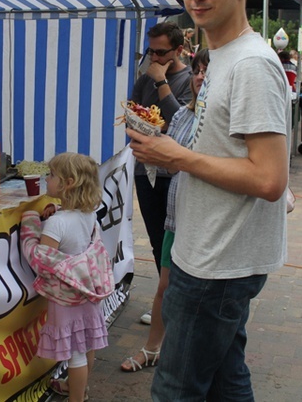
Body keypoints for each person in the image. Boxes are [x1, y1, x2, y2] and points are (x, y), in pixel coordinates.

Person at [127, 0, 290, 401]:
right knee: (225, 380)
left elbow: (269, 178)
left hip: (219, 263)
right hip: (210, 252)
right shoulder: (222, 55)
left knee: (175, 389)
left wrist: (174, 156)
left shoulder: (251, 65)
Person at [120, 49, 209, 374]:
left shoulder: (220, 120)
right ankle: (152, 349)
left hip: (206, 224)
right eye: (198, 71)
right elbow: (175, 165)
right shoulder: (184, 116)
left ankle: (188, 358)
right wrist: (151, 153)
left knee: (197, 295)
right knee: (164, 288)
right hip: (177, 217)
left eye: (207, 72)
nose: (200, 77)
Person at [24, 152, 109, 402]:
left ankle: (76, 398)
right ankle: (79, 389)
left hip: (66, 299)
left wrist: (29, 225)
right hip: (88, 291)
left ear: (68, 183)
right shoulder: (88, 214)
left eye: (51, 175)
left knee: (75, 354)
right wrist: (58, 209)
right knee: (87, 344)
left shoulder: (56, 224)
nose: (47, 179)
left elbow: (40, 260)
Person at [130, 21, 193, 325]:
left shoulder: (188, 79)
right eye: (149, 52)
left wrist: (160, 83)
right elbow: (135, 114)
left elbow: (179, 125)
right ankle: (164, 303)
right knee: (157, 240)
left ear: (179, 50)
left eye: (160, 52)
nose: (153, 59)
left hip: (174, 174)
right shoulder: (145, 78)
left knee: (176, 242)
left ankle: (176, 305)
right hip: (146, 170)